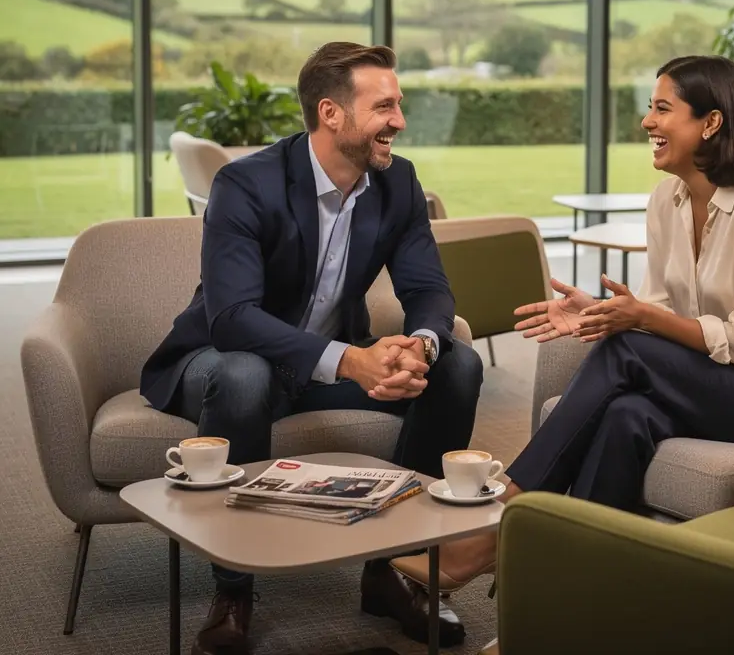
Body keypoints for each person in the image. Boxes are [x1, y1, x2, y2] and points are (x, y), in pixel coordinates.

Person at [391, 53, 734, 593]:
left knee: (623, 352)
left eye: (662, 109)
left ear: (711, 121)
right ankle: (561, 596)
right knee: (626, 416)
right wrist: (604, 311)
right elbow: (664, 310)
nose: (647, 122)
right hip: (720, 376)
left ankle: (502, 520)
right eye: (648, 108)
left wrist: (640, 319)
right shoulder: (667, 200)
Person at [141, 42, 484, 654]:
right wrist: (352, 359)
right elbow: (233, 318)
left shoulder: (397, 181)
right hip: (220, 358)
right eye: (385, 107)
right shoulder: (247, 183)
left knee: (460, 365)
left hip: (323, 366)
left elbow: (428, 287)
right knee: (245, 375)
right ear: (331, 113)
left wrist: (422, 346)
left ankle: (393, 574)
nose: (399, 121)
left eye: (398, 104)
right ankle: (234, 589)